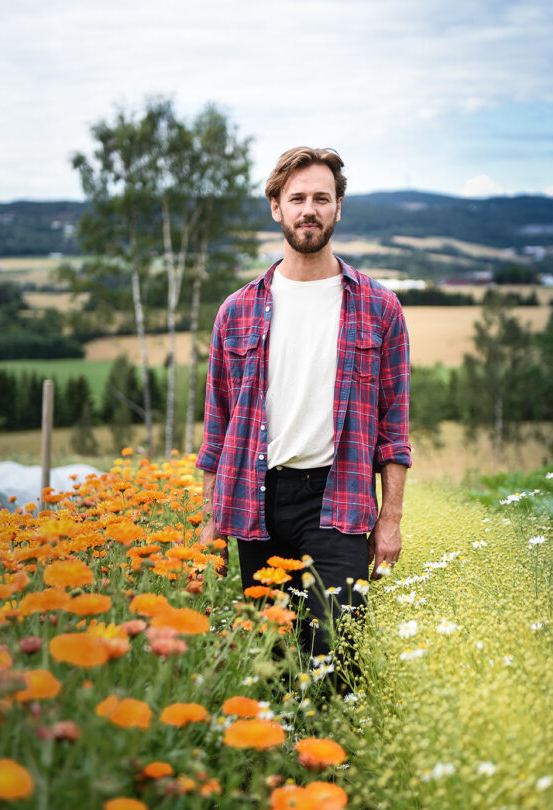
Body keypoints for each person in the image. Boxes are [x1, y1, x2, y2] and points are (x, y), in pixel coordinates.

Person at [197, 147, 411, 655]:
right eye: (297, 198)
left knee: (335, 657)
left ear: (339, 207)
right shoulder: (236, 311)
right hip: (256, 501)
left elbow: (393, 428)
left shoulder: (380, 308)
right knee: (270, 657)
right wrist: (209, 519)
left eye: (321, 197)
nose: (308, 209)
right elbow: (217, 430)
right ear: (277, 208)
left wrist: (392, 519)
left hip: (336, 502)